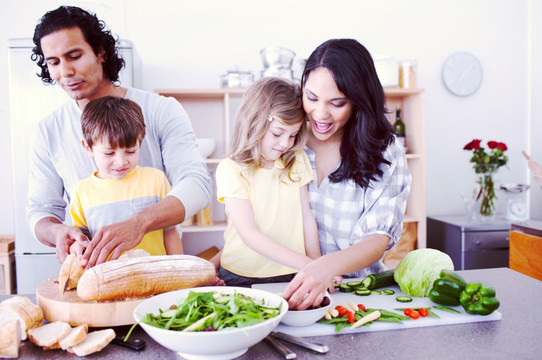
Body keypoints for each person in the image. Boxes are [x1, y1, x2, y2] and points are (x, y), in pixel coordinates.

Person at [28, 6, 211, 268]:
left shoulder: (161, 109)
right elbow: (40, 210)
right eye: (54, 62)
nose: (65, 71)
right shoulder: (48, 131)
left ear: (100, 52)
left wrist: (138, 224)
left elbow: (197, 186)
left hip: (157, 270)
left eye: (74, 55)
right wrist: (57, 232)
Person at [281, 39, 412, 309]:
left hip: (359, 297)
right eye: (311, 98)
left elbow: (377, 239)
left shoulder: (385, 151)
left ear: (359, 100)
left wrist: (325, 268)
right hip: (287, 292)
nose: (320, 114)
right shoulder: (286, 140)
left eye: (337, 103)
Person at [214, 77, 321, 287]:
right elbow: (249, 235)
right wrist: (308, 265)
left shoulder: (296, 160)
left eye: (292, 135)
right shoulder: (231, 168)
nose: (285, 143)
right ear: (254, 123)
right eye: (278, 133)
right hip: (241, 275)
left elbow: (307, 220)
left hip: (293, 272)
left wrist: (318, 265)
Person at [69, 96, 183, 258]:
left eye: (130, 151)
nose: (121, 162)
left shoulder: (156, 180)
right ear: (88, 148)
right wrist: (76, 246)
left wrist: (180, 273)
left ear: (139, 143)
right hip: (108, 279)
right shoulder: (82, 191)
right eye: (109, 153)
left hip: (156, 277)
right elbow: (82, 240)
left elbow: (170, 232)